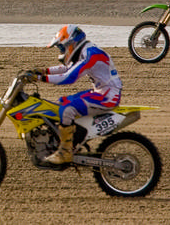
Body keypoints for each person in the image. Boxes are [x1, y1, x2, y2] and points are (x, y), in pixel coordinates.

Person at [23, 25, 121, 165]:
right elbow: (68, 68)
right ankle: (71, 140)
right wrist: (43, 71)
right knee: (63, 102)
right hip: (101, 92)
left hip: (108, 96)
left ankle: (65, 152)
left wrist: (39, 78)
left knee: (67, 108)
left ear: (71, 43)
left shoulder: (91, 54)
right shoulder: (86, 51)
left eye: (62, 48)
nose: (62, 51)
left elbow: (69, 77)